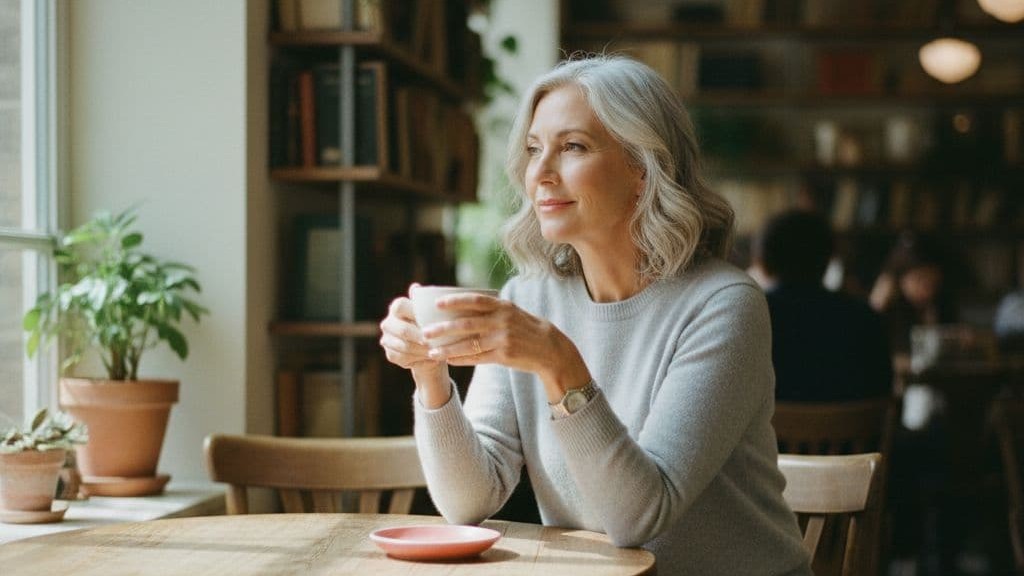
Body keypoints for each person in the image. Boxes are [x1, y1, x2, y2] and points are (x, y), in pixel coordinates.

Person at [379, 55, 811, 575]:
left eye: (573, 147)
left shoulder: (724, 305)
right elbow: (469, 502)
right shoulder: (528, 298)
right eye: (535, 149)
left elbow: (639, 518)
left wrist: (559, 362)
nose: (539, 172)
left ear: (645, 168)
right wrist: (431, 375)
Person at [752, 209, 893, 401]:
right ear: (828, 259)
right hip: (852, 431)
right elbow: (883, 390)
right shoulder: (866, 317)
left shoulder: (752, 315)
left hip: (776, 430)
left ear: (764, 259)